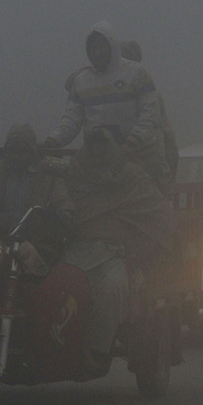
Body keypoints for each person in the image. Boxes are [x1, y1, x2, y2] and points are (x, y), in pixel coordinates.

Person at [59, 127, 175, 379]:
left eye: (103, 145)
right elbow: (55, 208)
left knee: (112, 289)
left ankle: (96, 351)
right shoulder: (74, 175)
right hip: (73, 250)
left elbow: (158, 215)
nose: (98, 152)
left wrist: (140, 251)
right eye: (93, 146)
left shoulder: (132, 177)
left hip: (115, 254)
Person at [40, 22, 170, 189]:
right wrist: (50, 143)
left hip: (140, 157)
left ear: (113, 47)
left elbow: (150, 115)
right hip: (99, 157)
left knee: (147, 206)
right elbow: (71, 121)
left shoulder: (137, 73)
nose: (97, 52)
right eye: (92, 48)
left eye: (102, 46)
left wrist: (131, 143)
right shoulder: (82, 81)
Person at [0, 124, 73, 242]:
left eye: (22, 151)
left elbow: (62, 200)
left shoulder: (49, 175)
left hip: (34, 238)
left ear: (32, 151)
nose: (16, 156)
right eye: (11, 151)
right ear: (5, 151)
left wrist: (65, 213)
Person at [120, 39, 179, 180]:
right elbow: (168, 139)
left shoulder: (149, 94)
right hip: (147, 168)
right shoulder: (151, 93)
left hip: (136, 167)